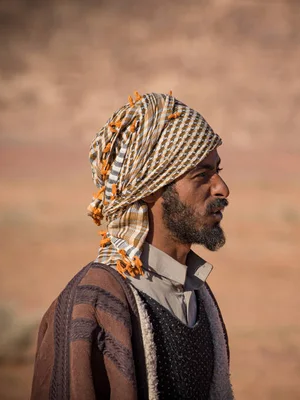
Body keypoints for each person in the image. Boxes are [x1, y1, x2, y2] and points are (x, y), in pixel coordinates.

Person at [30, 91, 234, 400]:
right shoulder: (94, 303)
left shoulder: (198, 294)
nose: (222, 188)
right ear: (151, 189)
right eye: (202, 175)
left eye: (218, 171)